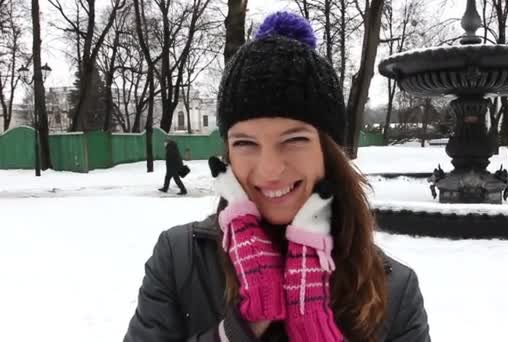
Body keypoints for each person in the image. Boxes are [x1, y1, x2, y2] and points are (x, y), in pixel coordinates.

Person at [125, 11, 430, 342]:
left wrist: (315, 330)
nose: (270, 169)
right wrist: (238, 330)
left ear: (329, 153)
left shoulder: (393, 289)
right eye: (245, 143)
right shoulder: (180, 260)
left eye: (294, 140)